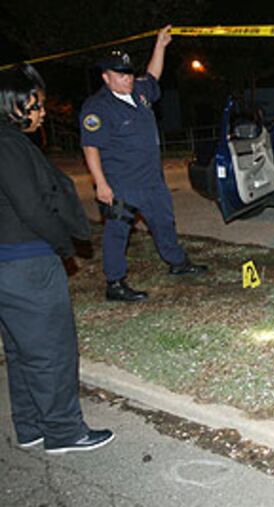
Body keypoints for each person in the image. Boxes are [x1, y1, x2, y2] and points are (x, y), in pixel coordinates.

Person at [0, 64, 114, 453]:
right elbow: (31, 207)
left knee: (21, 349)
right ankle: (65, 432)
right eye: (37, 103)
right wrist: (64, 245)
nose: (43, 111)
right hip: (27, 263)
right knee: (52, 351)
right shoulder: (9, 145)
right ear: (14, 104)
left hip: (7, 264)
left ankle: (31, 426)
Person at [79, 25, 207, 303]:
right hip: (121, 184)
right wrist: (100, 184)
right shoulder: (96, 107)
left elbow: (153, 75)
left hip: (152, 180)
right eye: (120, 74)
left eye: (128, 73)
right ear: (106, 77)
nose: (127, 79)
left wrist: (160, 45)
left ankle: (178, 263)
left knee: (163, 222)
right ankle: (115, 283)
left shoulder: (139, 91)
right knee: (117, 232)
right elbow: (91, 147)